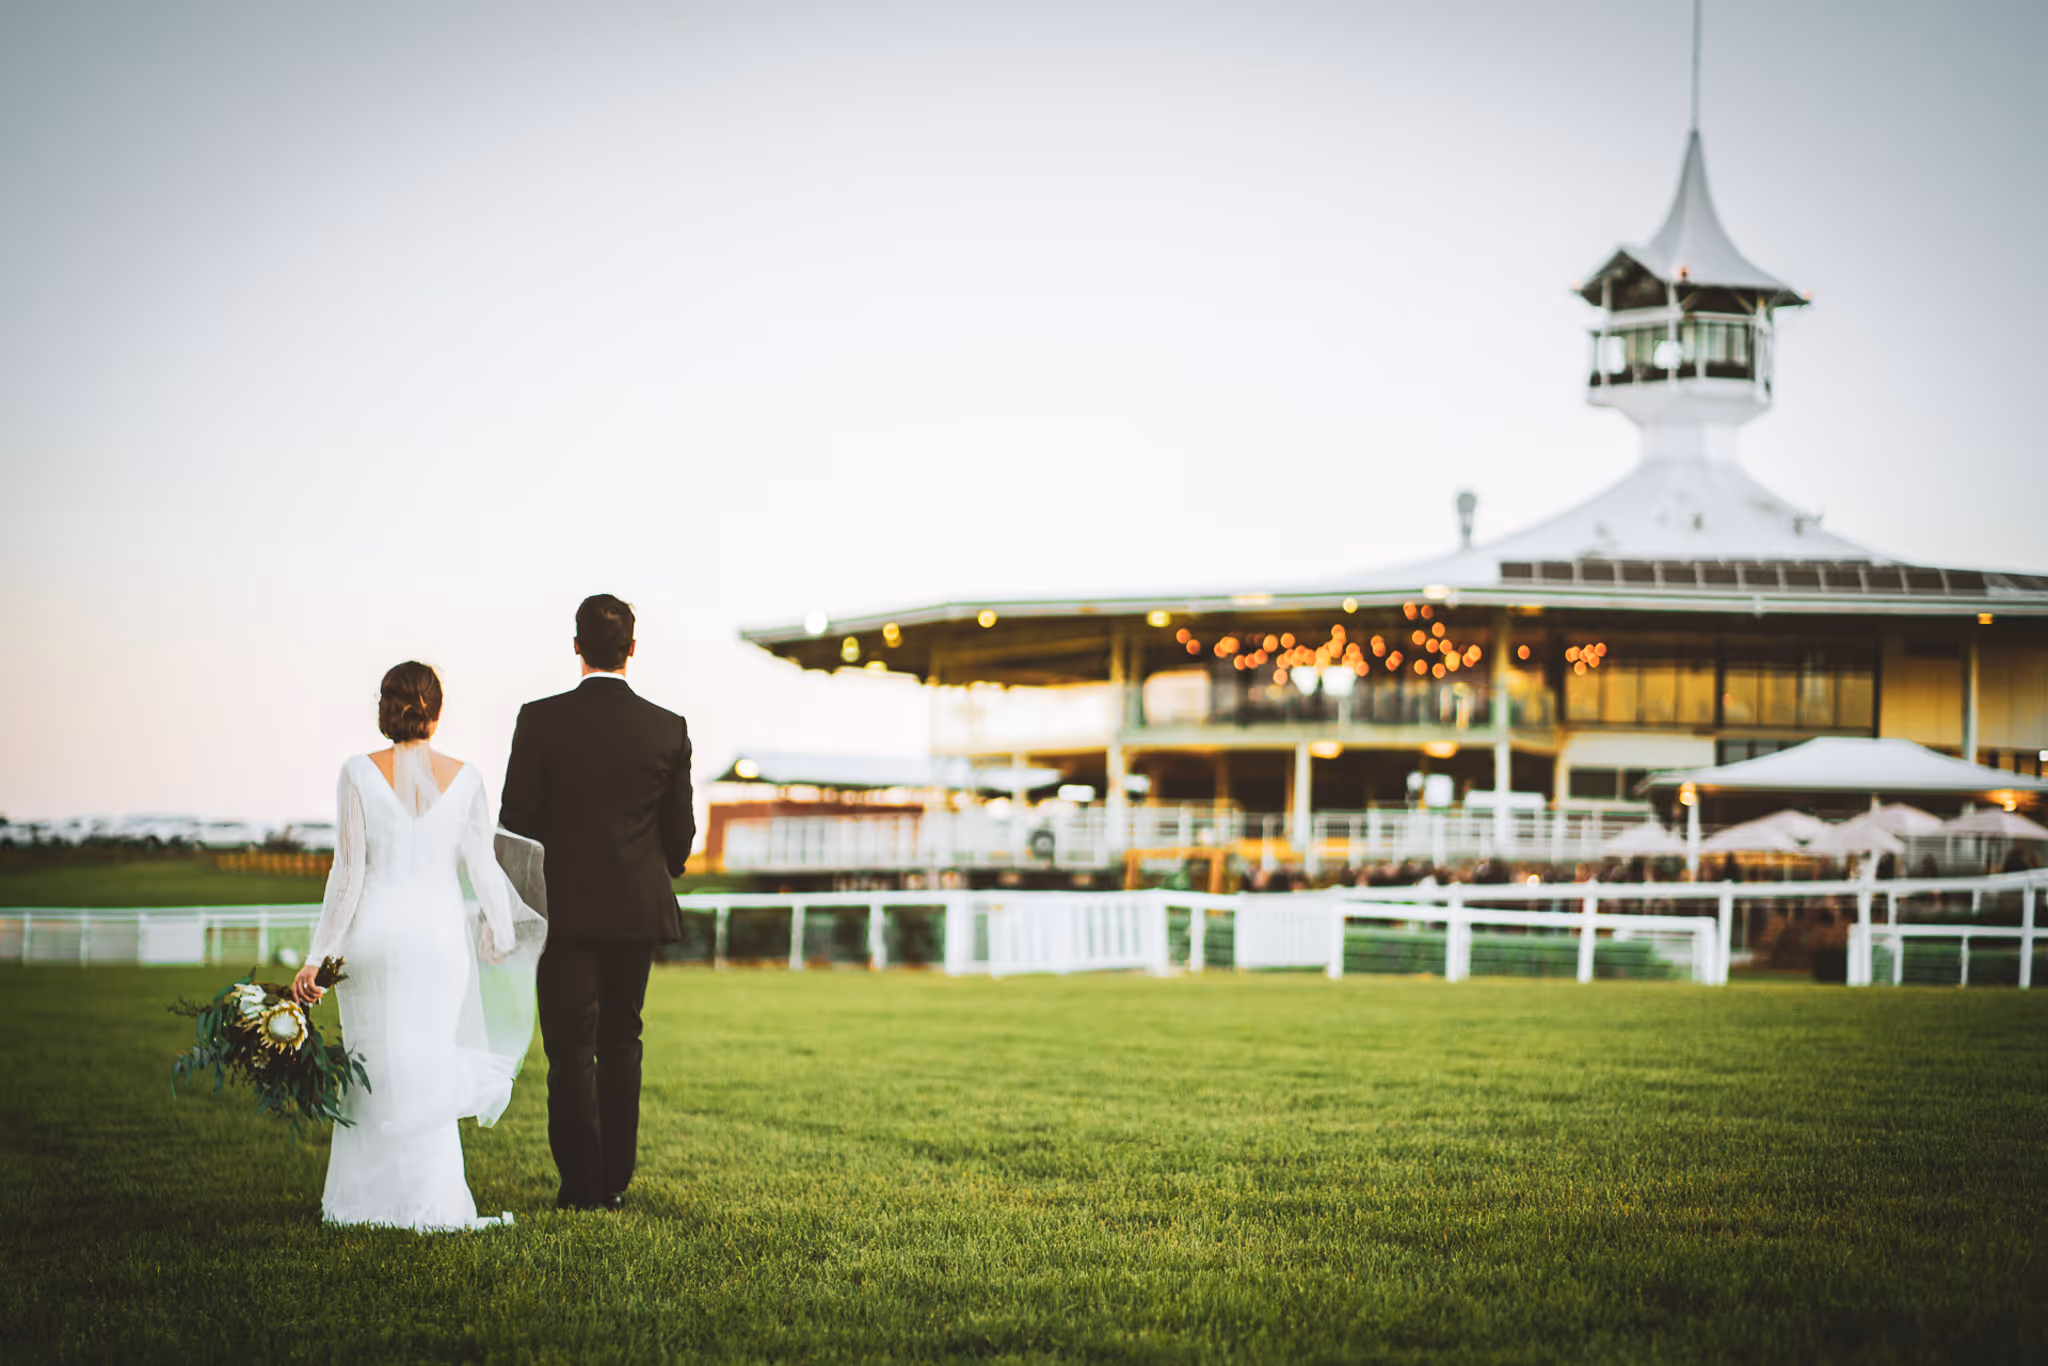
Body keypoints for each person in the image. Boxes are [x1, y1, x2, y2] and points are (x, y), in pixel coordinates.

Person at [291, 662, 548, 1231]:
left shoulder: (358, 771)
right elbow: (484, 866)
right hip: (438, 940)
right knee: (429, 1062)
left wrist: (317, 956)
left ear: (386, 708)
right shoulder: (467, 777)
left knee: (371, 1062)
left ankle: (361, 1204)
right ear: (436, 710)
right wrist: (500, 932)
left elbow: (349, 873)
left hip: (375, 937)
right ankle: (432, 1204)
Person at [501, 594, 695, 1212]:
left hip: (563, 914)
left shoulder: (538, 719)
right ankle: (614, 1176)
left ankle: (581, 1186)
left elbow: (515, 825)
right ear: (632, 649)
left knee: (568, 1051)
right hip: (636, 910)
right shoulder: (668, 728)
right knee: (622, 1040)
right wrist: (653, 870)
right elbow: (681, 833)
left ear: (577, 646)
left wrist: (514, 905)